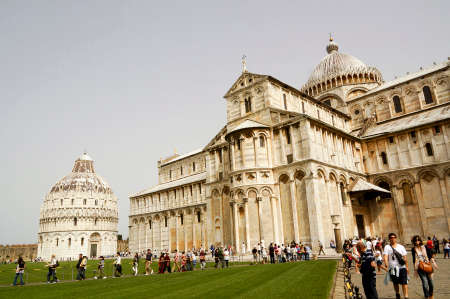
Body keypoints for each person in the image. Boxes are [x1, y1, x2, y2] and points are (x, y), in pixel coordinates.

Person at [383, 233, 409, 299]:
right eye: (391, 237)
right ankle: (397, 293)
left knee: (404, 282)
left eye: (394, 237)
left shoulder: (401, 247)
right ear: (389, 239)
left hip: (402, 267)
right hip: (393, 268)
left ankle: (406, 296)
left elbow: (405, 258)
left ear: (396, 238)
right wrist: (386, 263)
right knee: (395, 283)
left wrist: (407, 267)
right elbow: (385, 256)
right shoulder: (387, 247)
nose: (393, 239)